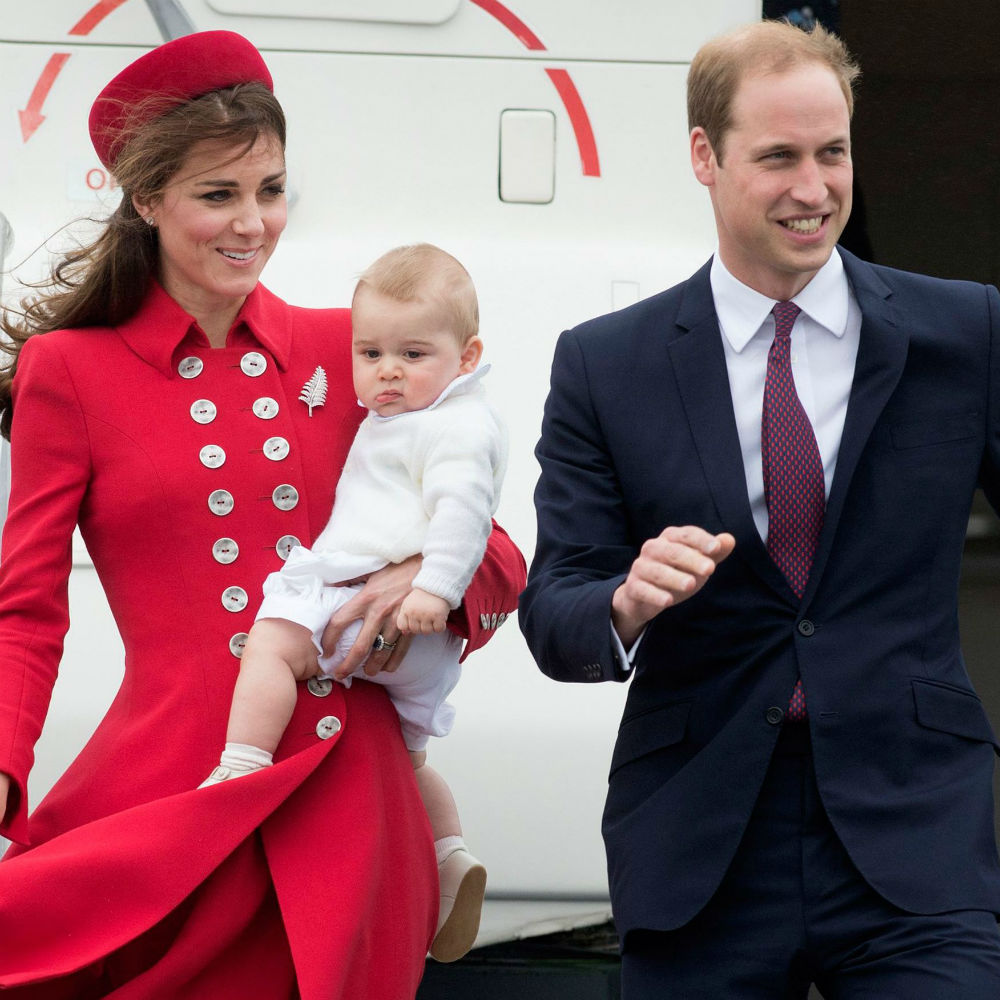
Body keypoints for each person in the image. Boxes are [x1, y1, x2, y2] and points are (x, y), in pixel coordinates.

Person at [0, 31, 524, 998]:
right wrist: (2, 759)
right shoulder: (67, 372)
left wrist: (420, 581)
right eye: (218, 195)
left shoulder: (353, 349)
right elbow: (28, 612)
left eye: (271, 190)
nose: (253, 222)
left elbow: (493, 544)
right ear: (148, 200)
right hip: (179, 785)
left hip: (351, 792)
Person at [520, 18, 1000, 999]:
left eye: (833, 153)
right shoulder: (604, 364)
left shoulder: (966, 331)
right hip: (700, 845)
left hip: (915, 830)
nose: (814, 188)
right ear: (704, 155)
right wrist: (623, 600)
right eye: (777, 157)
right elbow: (552, 608)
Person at [203, 242, 506, 964]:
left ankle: (241, 765)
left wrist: (432, 586)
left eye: (410, 355)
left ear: (466, 359)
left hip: (375, 613)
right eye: (369, 354)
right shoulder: (419, 408)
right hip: (423, 652)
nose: (386, 371)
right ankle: (451, 853)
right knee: (411, 757)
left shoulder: (452, 423)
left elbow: (472, 516)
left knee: (274, 642)